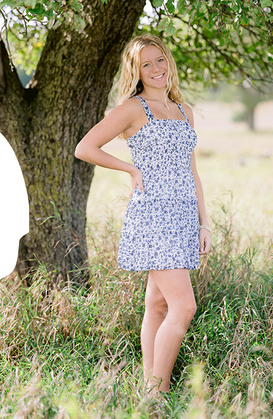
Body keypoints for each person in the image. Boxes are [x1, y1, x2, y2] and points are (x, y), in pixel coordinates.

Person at [74, 34, 212, 394]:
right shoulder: (134, 109)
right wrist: (130, 170)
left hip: (183, 216)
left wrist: (203, 222)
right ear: (136, 71)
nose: (155, 69)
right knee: (183, 306)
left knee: (158, 303)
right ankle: (158, 391)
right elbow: (85, 148)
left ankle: (146, 388)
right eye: (146, 64)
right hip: (153, 215)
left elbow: (191, 171)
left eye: (160, 60)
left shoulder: (185, 110)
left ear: (169, 62)